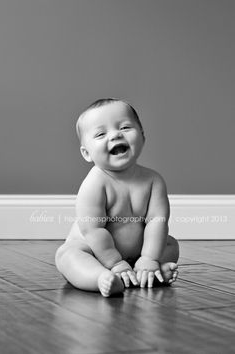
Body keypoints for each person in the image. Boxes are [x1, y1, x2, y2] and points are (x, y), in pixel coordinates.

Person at [55, 98, 179, 297]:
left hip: (137, 253)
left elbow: (157, 221)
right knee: (67, 255)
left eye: (125, 127)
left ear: (143, 137)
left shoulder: (153, 180)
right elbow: (93, 229)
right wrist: (114, 263)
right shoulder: (95, 183)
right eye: (101, 133)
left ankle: (146, 271)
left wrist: (149, 257)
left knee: (170, 244)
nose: (115, 135)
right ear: (87, 153)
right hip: (96, 251)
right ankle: (101, 278)